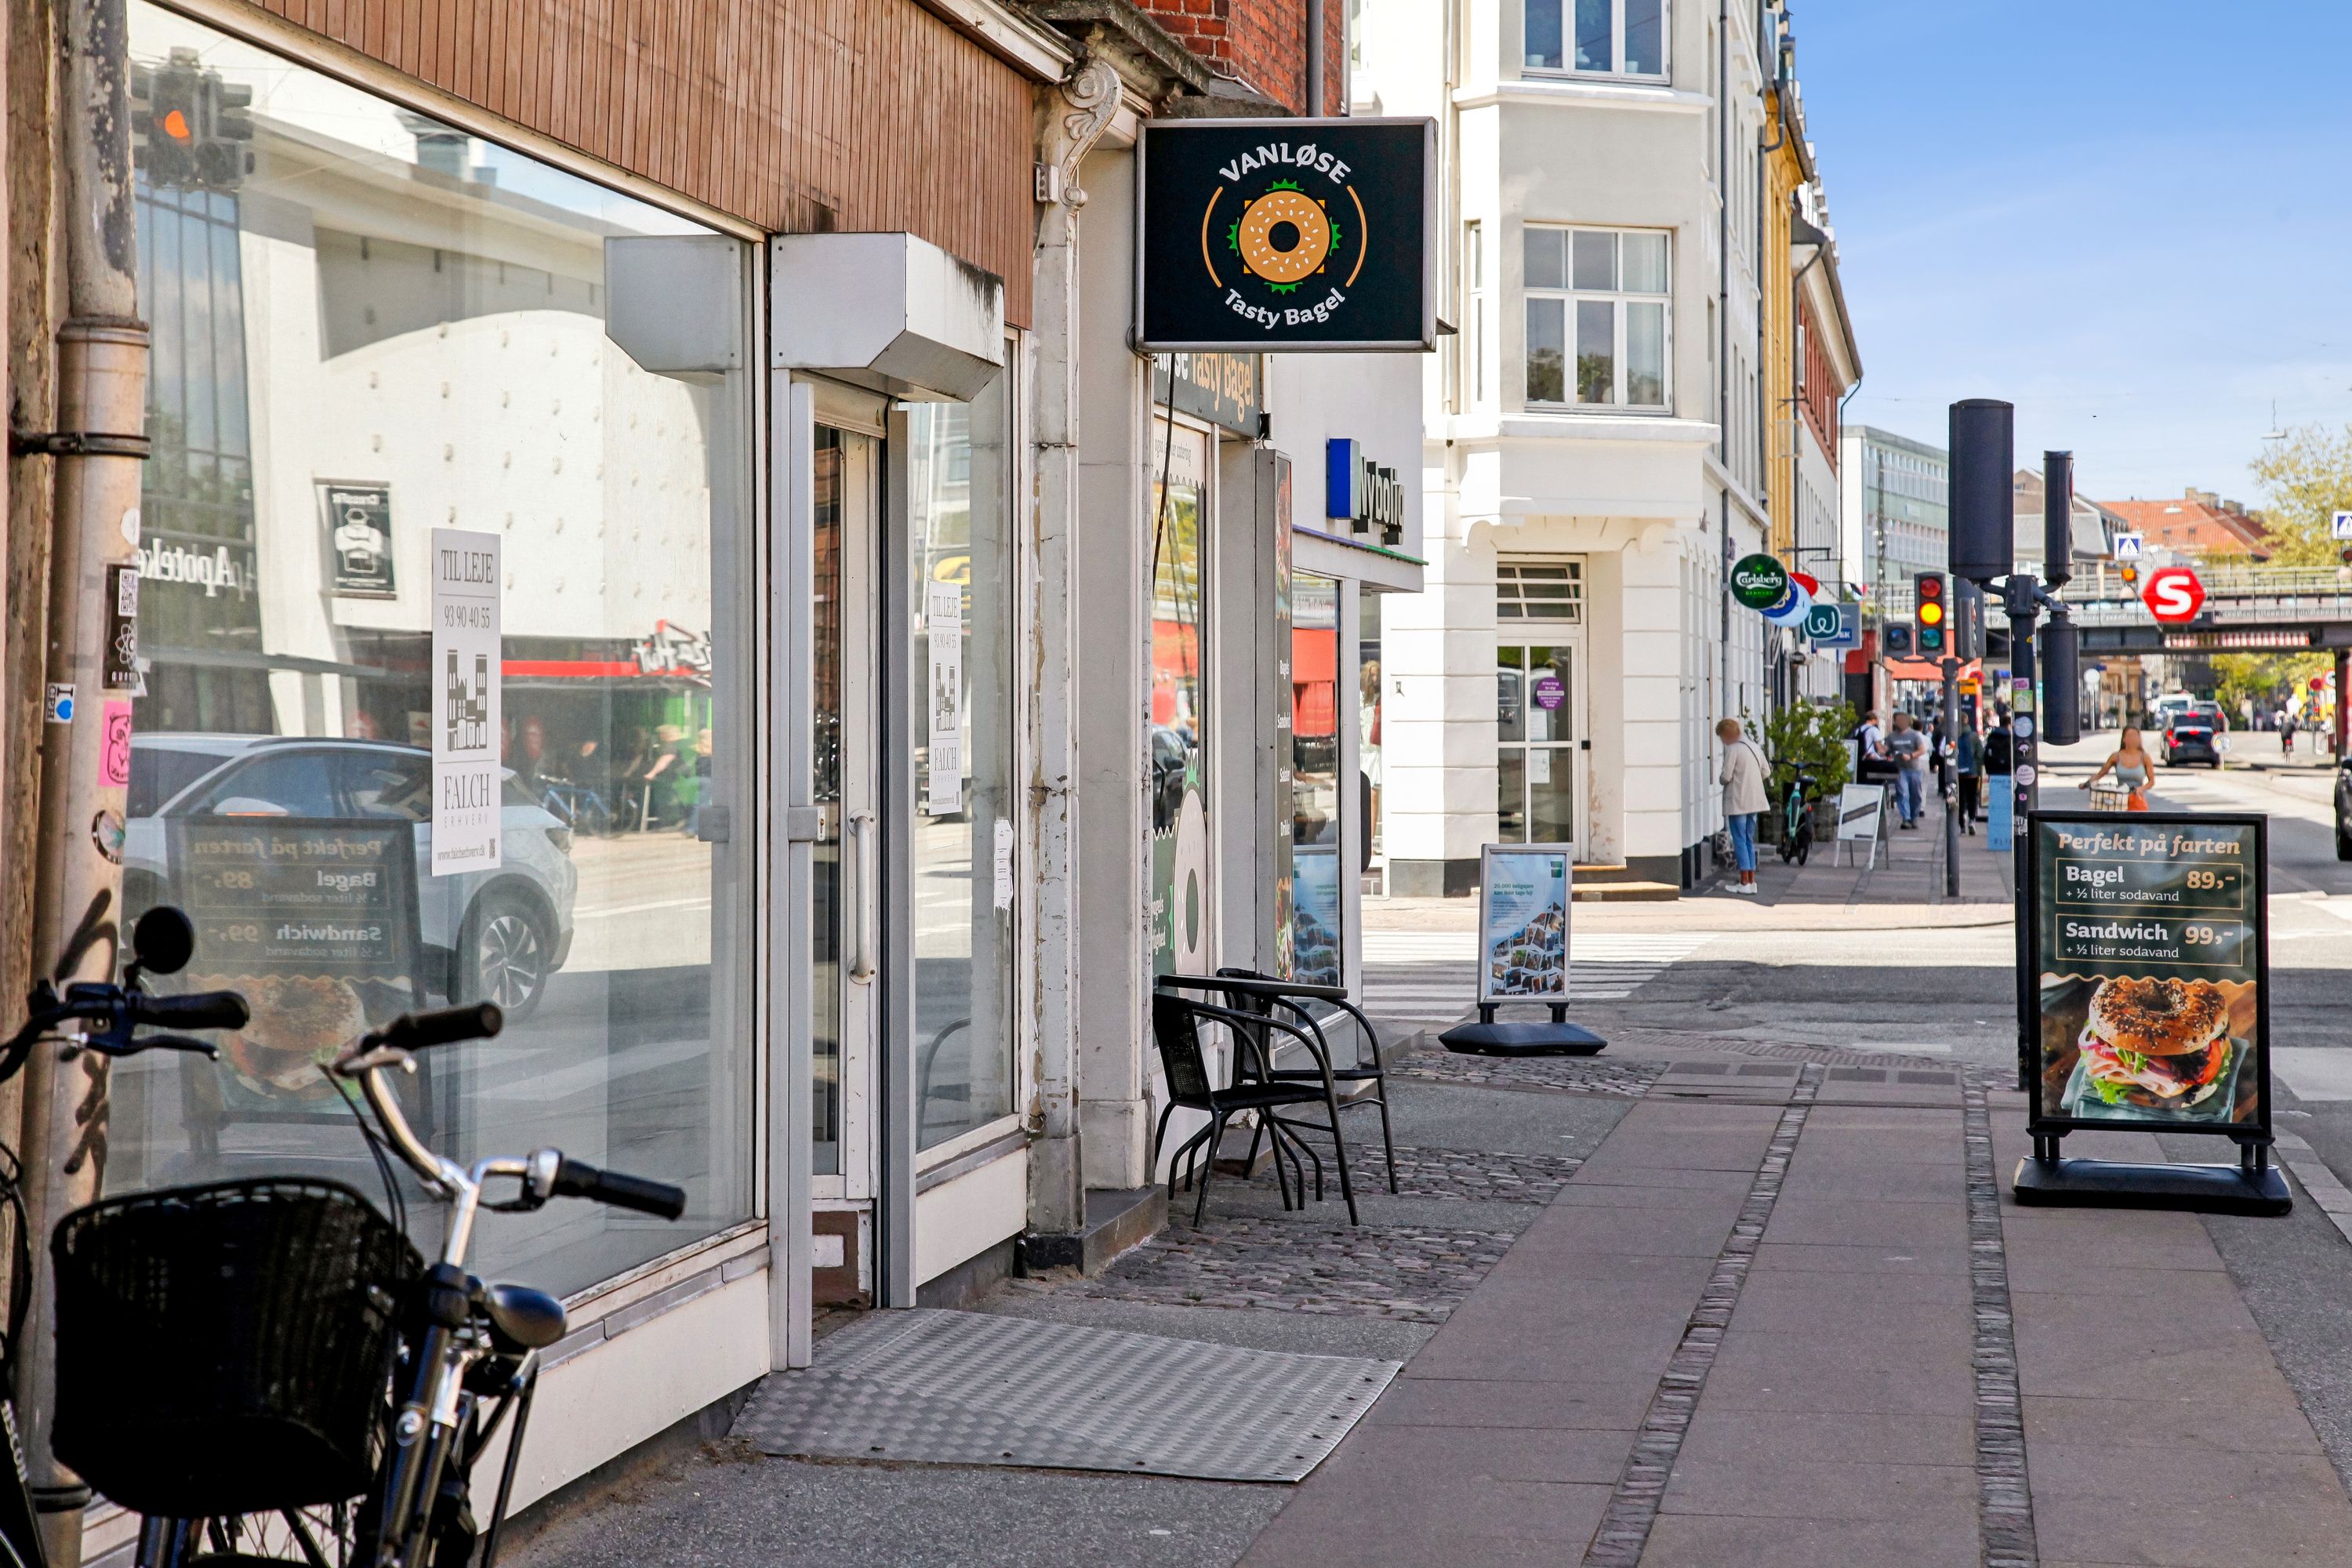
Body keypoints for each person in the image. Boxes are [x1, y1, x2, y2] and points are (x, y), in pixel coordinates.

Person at [1715, 717, 1769, 895]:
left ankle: (1744, 881)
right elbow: (1766, 771)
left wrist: (1723, 779)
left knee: (1738, 839)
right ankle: (1752, 880)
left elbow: (1726, 776)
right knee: (1748, 839)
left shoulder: (1733, 749)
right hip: (1754, 801)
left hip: (1738, 801)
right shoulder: (1754, 746)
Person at [2084, 726, 2157, 811]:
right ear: (2124, 739)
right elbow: (2101, 774)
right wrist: (2086, 783)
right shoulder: (2116, 756)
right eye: (2129, 736)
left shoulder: (2145, 757)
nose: (2132, 739)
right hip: (2119, 799)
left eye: (2135, 736)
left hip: (2138, 800)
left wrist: (2140, 789)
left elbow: (2151, 782)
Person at [1886, 712, 1929, 829]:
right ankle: (1906, 818)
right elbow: (1886, 749)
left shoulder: (1914, 735)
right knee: (1903, 793)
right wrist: (1880, 748)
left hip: (1915, 769)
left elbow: (1922, 750)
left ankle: (1914, 817)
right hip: (1900, 769)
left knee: (1916, 795)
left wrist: (1911, 756)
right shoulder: (1892, 737)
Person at [1853, 709, 1894, 784]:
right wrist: (1889, 752)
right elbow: (1879, 748)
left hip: (1859, 760)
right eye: (1878, 719)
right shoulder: (1874, 730)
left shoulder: (1858, 730)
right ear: (1874, 719)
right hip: (1871, 760)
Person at [1956, 721, 1982, 835]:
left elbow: (1943, 752)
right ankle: (1972, 820)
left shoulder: (1952, 735)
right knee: (1973, 796)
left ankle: (1962, 821)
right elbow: (1980, 754)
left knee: (1960, 797)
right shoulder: (1974, 736)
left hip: (1958, 773)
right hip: (1973, 773)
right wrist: (1979, 771)